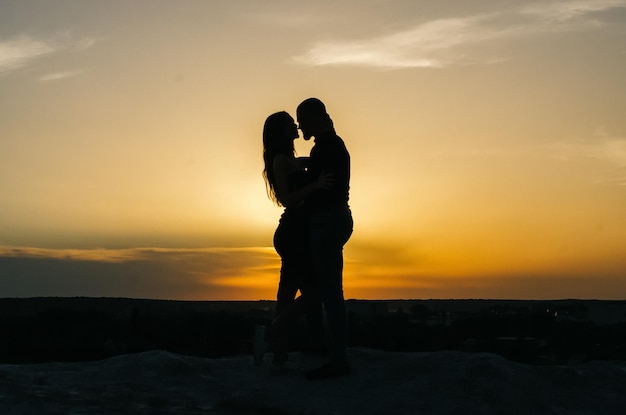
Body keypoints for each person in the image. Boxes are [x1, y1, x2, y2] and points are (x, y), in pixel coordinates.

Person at [257, 111, 331, 366]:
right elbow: (287, 199)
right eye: (290, 123)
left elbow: (300, 165)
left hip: (295, 231)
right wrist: (316, 184)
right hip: (294, 233)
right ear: (281, 131)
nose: (296, 125)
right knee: (315, 292)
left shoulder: (287, 159)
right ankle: (270, 335)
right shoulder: (280, 160)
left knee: (286, 295)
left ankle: (279, 355)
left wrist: (313, 162)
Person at [297, 98, 354, 380]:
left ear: (316, 118)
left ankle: (338, 358)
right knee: (327, 291)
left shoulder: (326, 147)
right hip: (336, 218)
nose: (299, 125)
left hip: (328, 221)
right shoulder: (330, 146)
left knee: (331, 293)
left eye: (302, 119)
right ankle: (329, 350)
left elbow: (320, 188)